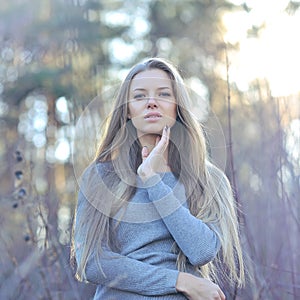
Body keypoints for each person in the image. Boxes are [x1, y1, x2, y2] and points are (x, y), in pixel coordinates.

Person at [72, 58, 245, 299]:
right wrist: (178, 280)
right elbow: (92, 262)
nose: (152, 102)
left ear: (178, 106)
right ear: (128, 110)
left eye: (163, 94)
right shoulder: (101, 176)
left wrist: (152, 180)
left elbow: (202, 250)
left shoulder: (209, 180)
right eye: (140, 96)